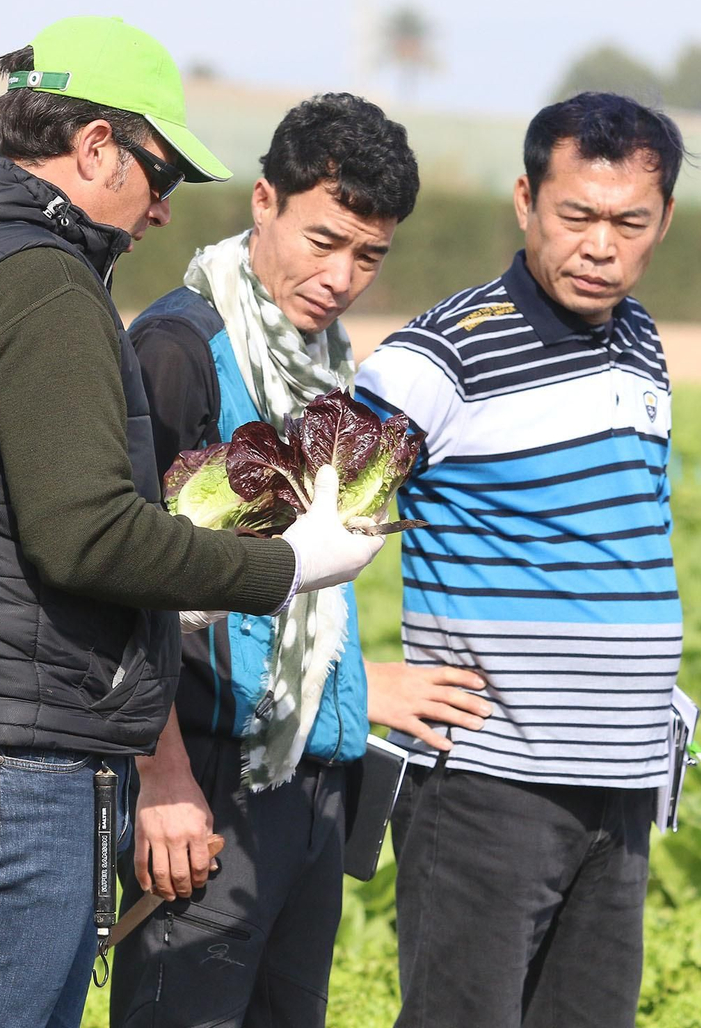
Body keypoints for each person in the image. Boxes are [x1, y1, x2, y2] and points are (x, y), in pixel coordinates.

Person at [0, 17, 384, 1028]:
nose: (163, 209)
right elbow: (85, 534)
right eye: (160, 172)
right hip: (8, 751)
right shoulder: (40, 280)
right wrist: (286, 566)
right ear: (95, 146)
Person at [109, 92, 491, 1028]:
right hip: (204, 778)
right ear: (264, 201)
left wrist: (355, 685)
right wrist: (161, 780)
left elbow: (309, 585)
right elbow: (121, 585)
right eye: (323, 240)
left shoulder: (329, 363)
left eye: (369, 255)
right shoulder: (178, 351)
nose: (341, 277)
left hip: (310, 778)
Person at [353, 91, 687, 1028]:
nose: (600, 246)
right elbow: (287, 525)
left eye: (629, 223)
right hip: (488, 788)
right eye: (576, 215)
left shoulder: (641, 342)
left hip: (621, 785)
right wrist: (346, 678)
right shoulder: (436, 360)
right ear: (526, 202)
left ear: (664, 221)